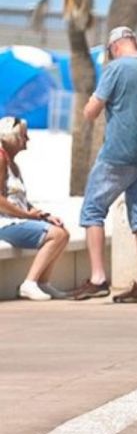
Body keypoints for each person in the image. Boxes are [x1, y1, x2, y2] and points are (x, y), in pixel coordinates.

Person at [72, 26, 137, 302]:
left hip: (115, 155)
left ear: (114, 47)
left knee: (92, 210)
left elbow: (90, 113)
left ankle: (98, 278)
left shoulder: (114, 70)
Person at [0, 116, 70, 300]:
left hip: (16, 219)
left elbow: (20, 200)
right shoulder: (0, 160)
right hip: (4, 223)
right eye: (24, 136)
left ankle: (42, 283)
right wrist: (26, 215)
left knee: (62, 232)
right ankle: (29, 283)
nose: (27, 140)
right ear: (12, 137)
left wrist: (43, 215)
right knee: (57, 235)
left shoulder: (13, 165)